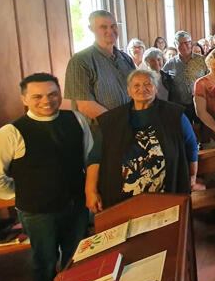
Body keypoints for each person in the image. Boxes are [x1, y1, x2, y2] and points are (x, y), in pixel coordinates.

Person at [0, 73, 92, 281]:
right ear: (24, 99)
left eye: (52, 94)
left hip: (76, 205)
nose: (46, 101)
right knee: (46, 261)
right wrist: (20, 193)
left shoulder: (77, 120)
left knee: (77, 256)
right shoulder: (9, 133)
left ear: (60, 94)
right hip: (38, 212)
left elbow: (88, 159)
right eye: (37, 96)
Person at [84, 70, 198, 212]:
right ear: (129, 91)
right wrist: (90, 190)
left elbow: (191, 146)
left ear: (156, 89)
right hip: (123, 199)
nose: (142, 89)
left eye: (148, 84)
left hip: (165, 195)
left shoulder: (174, 115)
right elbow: (95, 156)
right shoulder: (113, 120)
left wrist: (192, 176)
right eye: (136, 85)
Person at [64, 10, 136, 122]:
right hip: (99, 130)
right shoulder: (80, 61)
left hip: (129, 125)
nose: (110, 31)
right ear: (91, 29)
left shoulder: (126, 59)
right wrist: (118, 124)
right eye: (103, 27)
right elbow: (85, 105)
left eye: (113, 26)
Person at [162, 31, 206, 122]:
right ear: (175, 44)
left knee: (201, 131)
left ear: (191, 43)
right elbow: (163, 80)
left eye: (186, 43)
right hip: (179, 105)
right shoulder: (171, 63)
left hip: (200, 102)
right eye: (180, 43)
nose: (183, 46)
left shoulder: (202, 60)